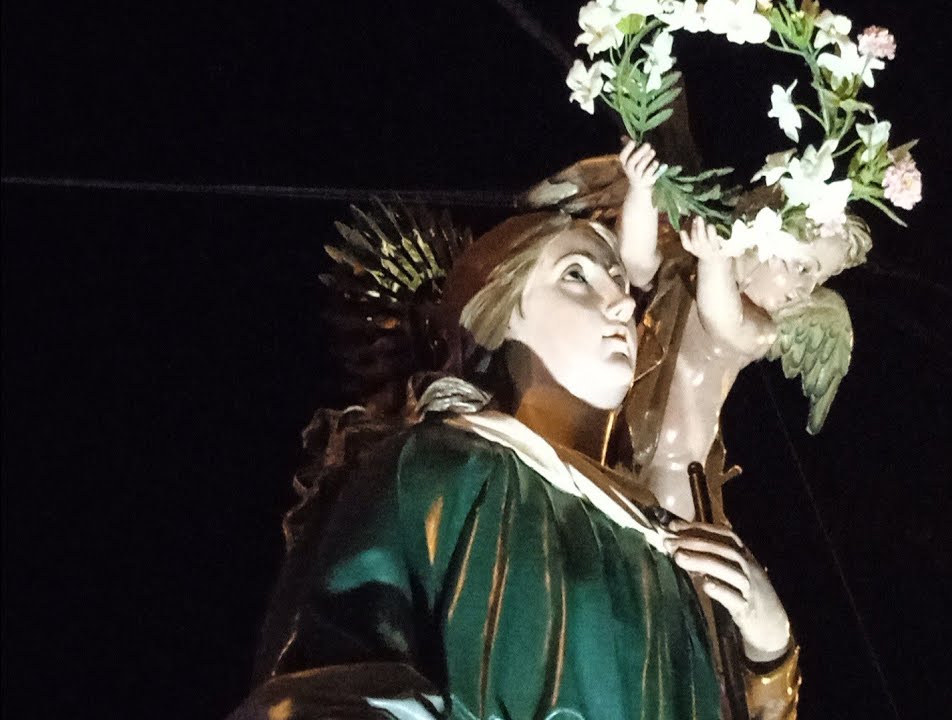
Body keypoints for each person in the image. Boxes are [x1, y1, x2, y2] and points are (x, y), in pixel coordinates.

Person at [232, 212, 799, 719]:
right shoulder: (441, 466)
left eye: (621, 281)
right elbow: (333, 677)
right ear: (503, 314)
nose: (624, 303)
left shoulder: (666, 537)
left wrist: (768, 647)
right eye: (578, 275)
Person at [614, 141, 867, 521]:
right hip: (615, 433)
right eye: (801, 266)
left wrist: (714, 262)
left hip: (675, 469)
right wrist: (641, 189)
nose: (804, 290)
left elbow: (722, 322)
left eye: (816, 279)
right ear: (763, 233)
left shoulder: (760, 328)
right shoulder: (692, 264)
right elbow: (636, 264)